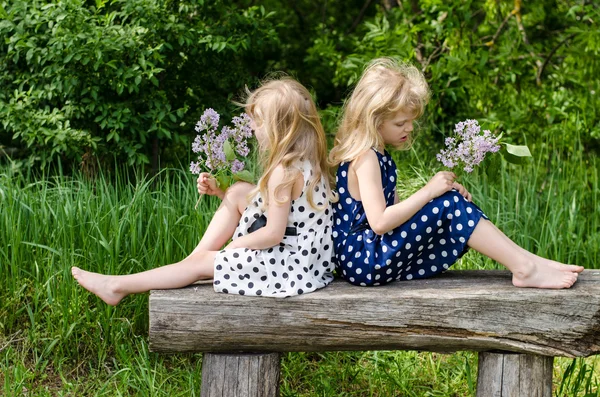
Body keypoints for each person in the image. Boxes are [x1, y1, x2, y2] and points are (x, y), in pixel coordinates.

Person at [72, 77, 336, 303]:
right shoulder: (307, 160)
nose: (253, 128)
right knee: (236, 191)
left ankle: (118, 286)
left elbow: (273, 233)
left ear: (281, 128)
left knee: (202, 264)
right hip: (308, 260)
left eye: (258, 121)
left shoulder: (283, 172)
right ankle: (192, 263)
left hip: (289, 268)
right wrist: (222, 193)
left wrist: (236, 245)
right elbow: (281, 212)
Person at [329, 57, 584, 289]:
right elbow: (381, 222)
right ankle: (525, 268)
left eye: (411, 120)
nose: (409, 127)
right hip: (362, 259)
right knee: (449, 204)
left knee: (450, 202)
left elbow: (397, 218)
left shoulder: (382, 156)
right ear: (374, 120)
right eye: (400, 123)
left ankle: (532, 263)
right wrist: (430, 192)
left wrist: (437, 197)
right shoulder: (366, 157)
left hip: (373, 255)